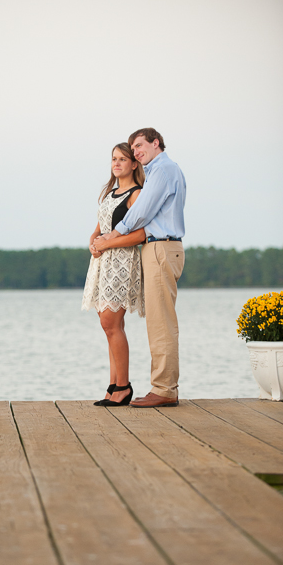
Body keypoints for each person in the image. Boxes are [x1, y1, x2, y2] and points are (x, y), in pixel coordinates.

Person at [94, 128, 186, 407]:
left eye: (139, 146)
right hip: (157, 248)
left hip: (161, 246)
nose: (135, 152)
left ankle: (165, 390)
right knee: (157, 321)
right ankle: (160, 387)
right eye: (132, 148)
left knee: (161, 323)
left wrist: (113, 234)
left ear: (155, 143)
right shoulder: (161, 170)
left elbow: (143, 209)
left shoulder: (163, 170)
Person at [82, 143, 146, 406]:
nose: (117, 163)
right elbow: (99, 229)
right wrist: (93, 243)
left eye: (123, 159)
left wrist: (107, 244)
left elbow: (141, 235)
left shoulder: (137, 194)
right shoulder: (110, 192)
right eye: (114, 159)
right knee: (109, 327)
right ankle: (113, 385)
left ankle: (124, 386)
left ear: (134, 164)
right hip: (101, 264)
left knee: (111, 323)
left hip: (121, 263)